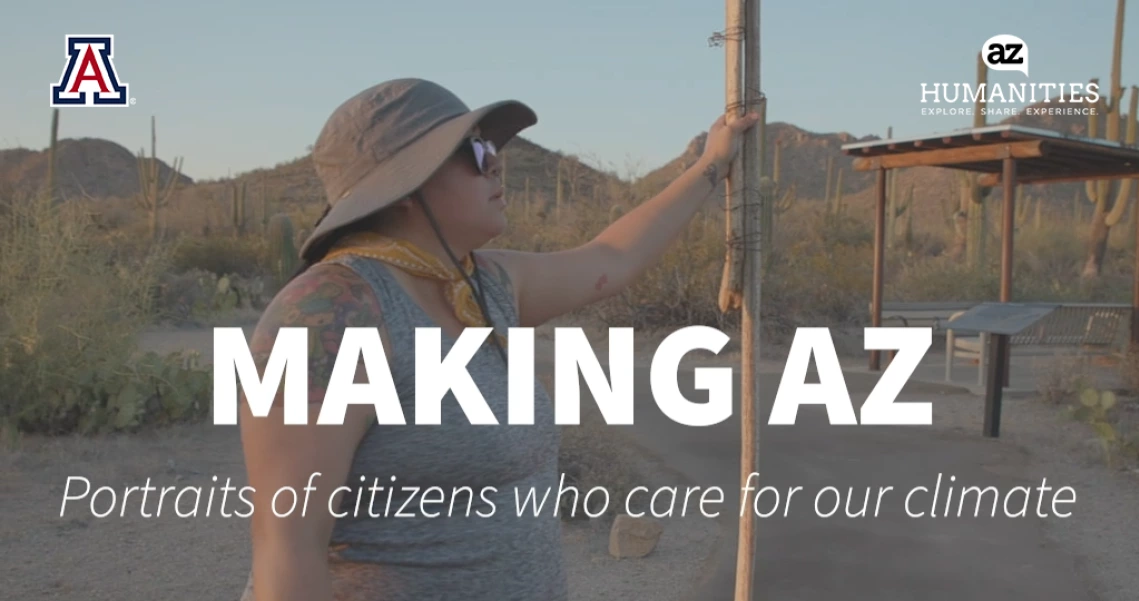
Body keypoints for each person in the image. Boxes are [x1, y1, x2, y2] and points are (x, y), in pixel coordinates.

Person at [237, 78, 759, 601]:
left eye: (493, 147)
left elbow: (612, 260)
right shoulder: (328, 313)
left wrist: (712, 164)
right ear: (402, 185)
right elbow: (289, 549)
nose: (495, 162)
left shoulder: (485, 285)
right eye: (473, 150)